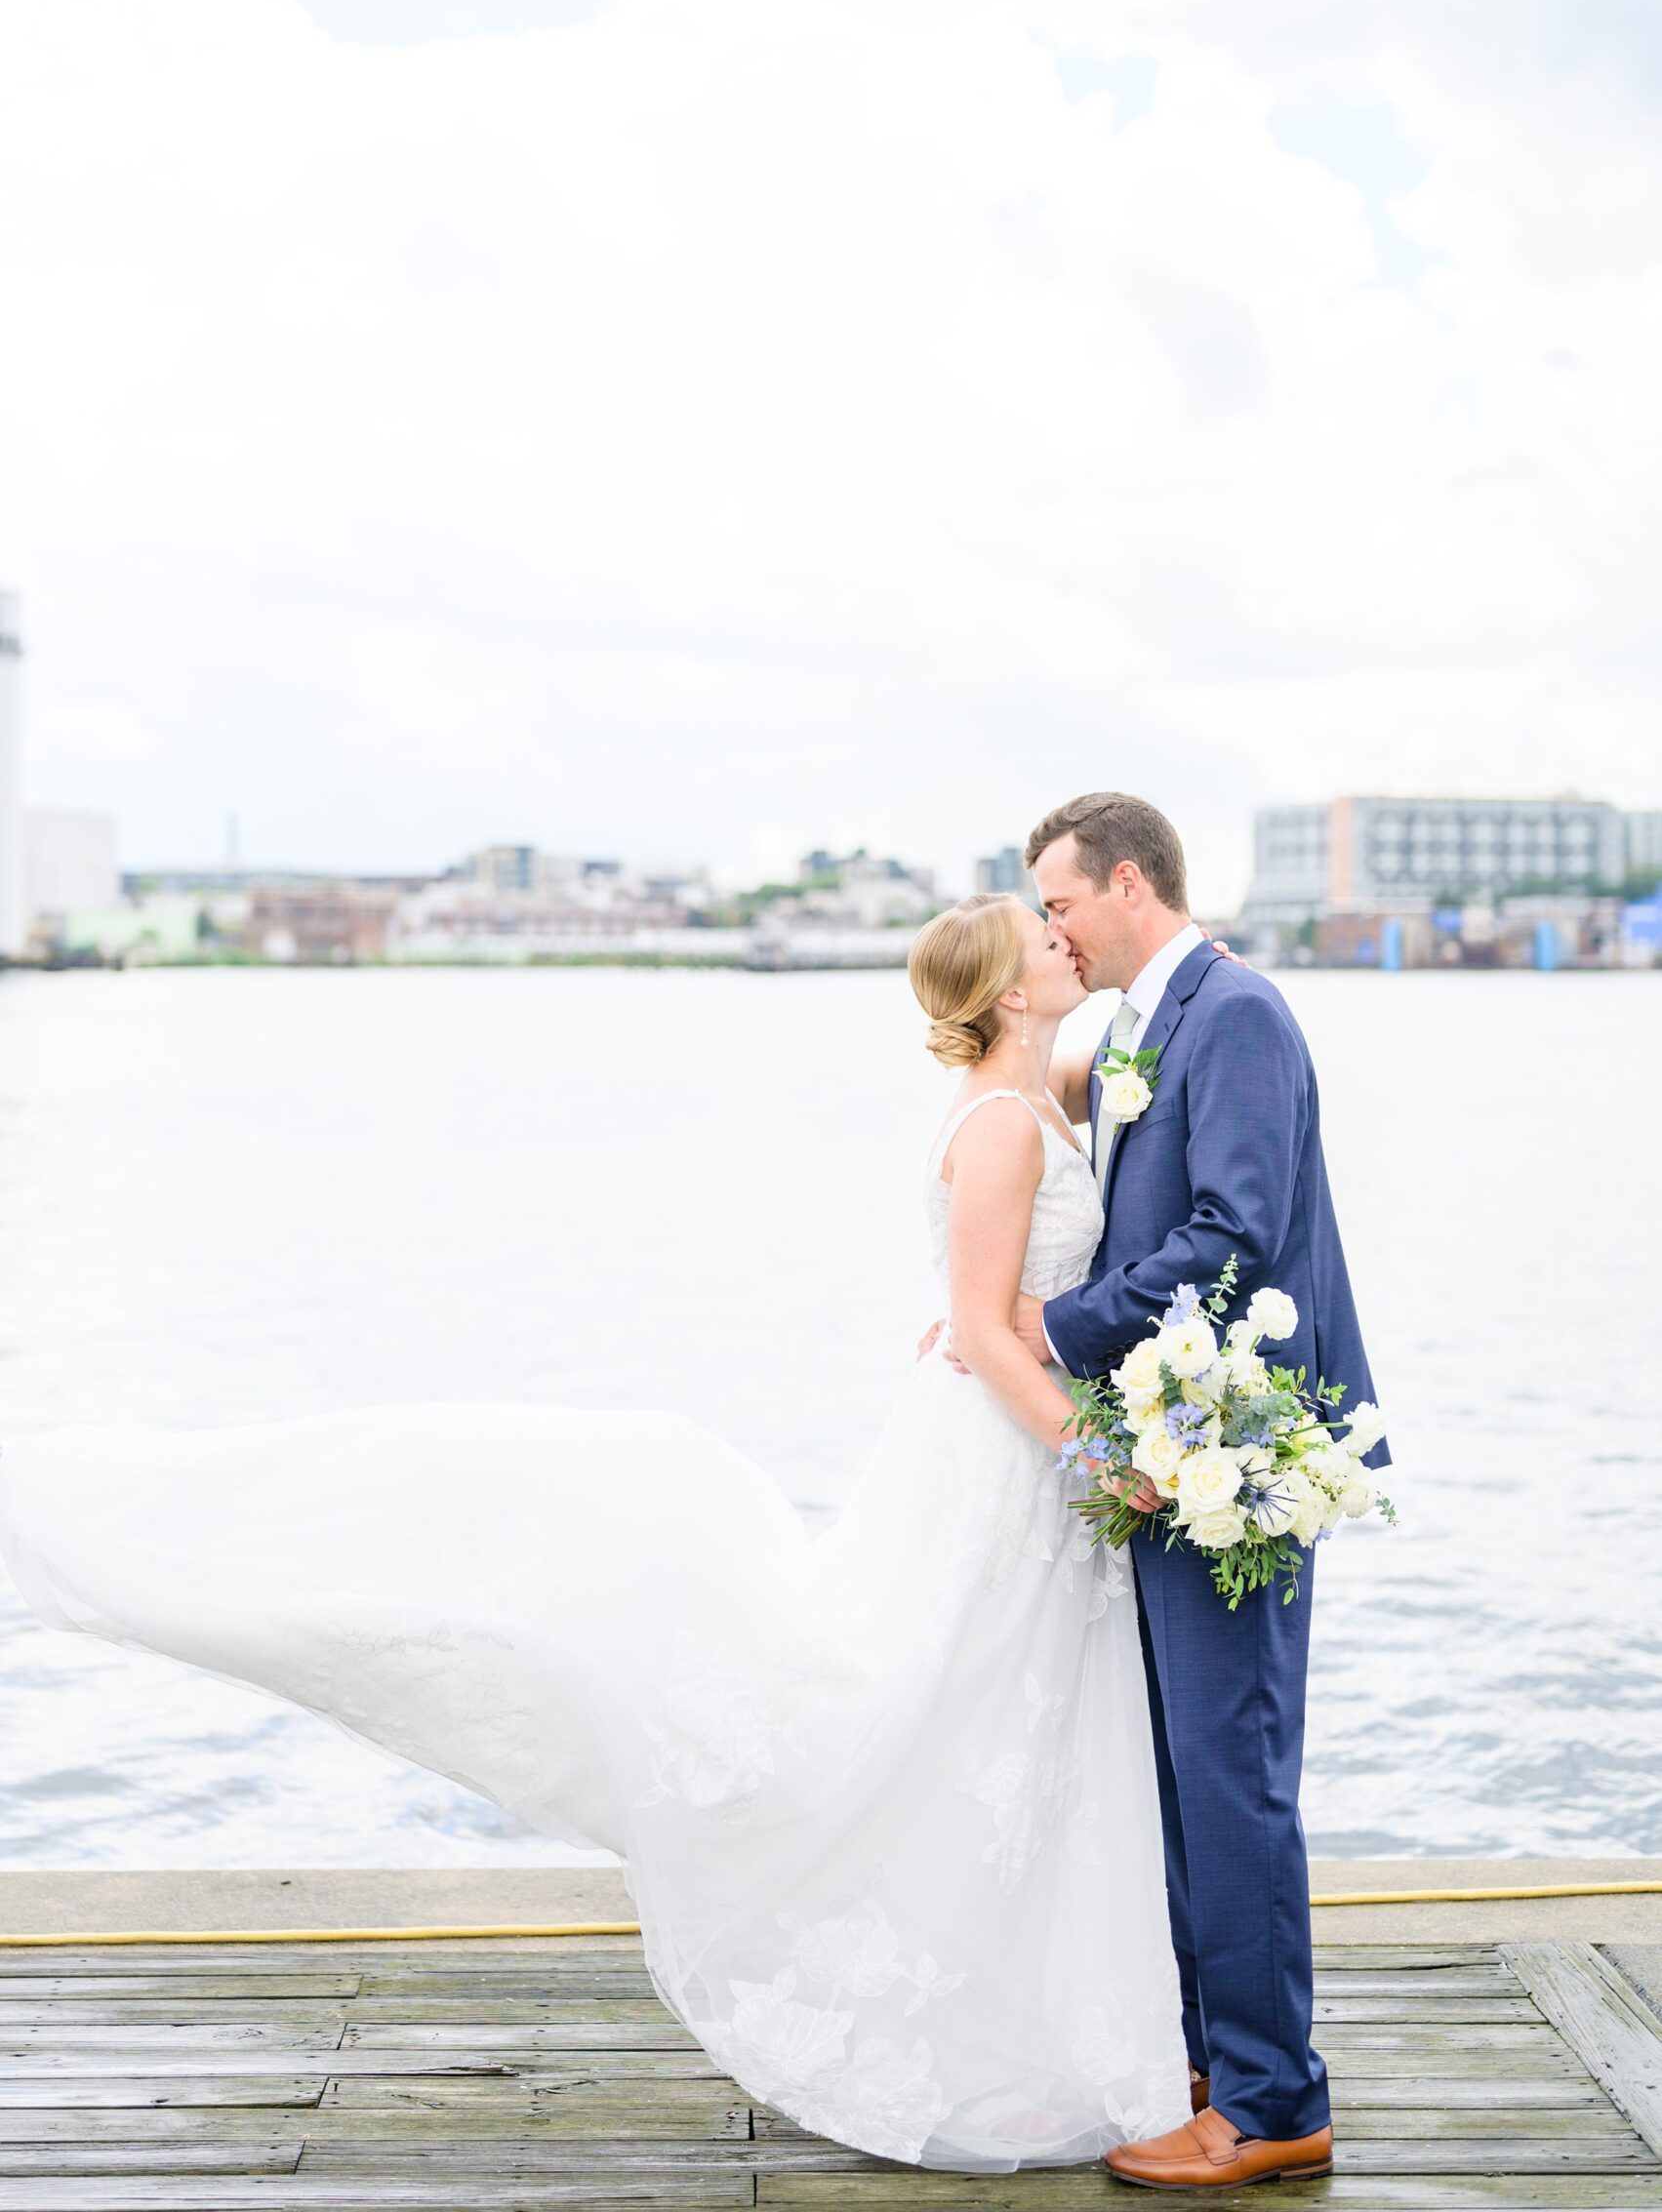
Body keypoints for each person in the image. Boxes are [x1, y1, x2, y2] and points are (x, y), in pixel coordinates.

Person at [0, 889, 1191, 2172]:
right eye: (1044, 942)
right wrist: (1107, 1457)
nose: (1066, 946)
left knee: (1004, 1737)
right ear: (1010, 993)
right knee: (944, 1726)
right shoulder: (1007, 1124)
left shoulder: (1035, 1092)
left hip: (1005, 1463)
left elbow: (1043, 1220)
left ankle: (1033, 2015)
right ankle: (978, 2028)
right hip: (1005, 1464)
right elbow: (977, 1330)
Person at [1024, 791, 1386, 2191]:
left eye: (1059, 902)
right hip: (1172, 1452)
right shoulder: (1139, 1027)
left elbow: (1230, 1232)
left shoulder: (1234, 1017)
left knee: (1229, 1778)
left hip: (1241, 1453)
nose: (1052, 927)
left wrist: (1054, 1325)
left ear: (1128, 882)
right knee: (1184, 1774)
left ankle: (1276, 2102)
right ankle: (1214, 2061)